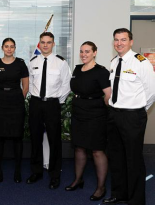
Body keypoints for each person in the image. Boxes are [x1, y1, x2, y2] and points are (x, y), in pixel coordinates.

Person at [102, 28, 155, 205]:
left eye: (123, 40)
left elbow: (151, 92)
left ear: (131, 42)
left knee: (134, 159)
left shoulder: (141, 62)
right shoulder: (114, 62)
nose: (119, 43)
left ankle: (136, 200)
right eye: (116, 40)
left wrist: (138, 110)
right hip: (114, 115)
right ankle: (119, 193)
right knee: (116, 157)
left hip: (133, 117)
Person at [65, 41, 111, 201]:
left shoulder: (101, 72)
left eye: (87, 51)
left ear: (94, 53)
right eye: (81, 51)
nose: (84, 54)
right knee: (79, 148)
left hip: (96, 114)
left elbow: (108, 95)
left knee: (97, 151)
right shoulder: (78, 69)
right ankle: (78, 180)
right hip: (78, 112)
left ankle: (101, 187)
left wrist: (104, 112)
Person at [26, 32, 71, 189]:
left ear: (53, 44)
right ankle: (36, 172)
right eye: (43, 42)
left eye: (48, 42)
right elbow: (30, 83)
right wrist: (35, 96)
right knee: (35, 139)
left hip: (52, 104)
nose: (45, 45)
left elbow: (66, 84)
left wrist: (58, 101)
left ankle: (54, 174)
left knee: (54, 141)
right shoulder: (32, 62)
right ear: (39, 44)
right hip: (36, 103)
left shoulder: (61, 63)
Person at [0, 38, 29, 183]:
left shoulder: (20, 63)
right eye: (7, 46)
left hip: (16, 101)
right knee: (0, 137)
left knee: (17, 137)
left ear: (15, 48)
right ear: (2, 48)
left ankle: (17, 171)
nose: (9, 49)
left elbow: (25, 84)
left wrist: (20, 98)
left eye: (12, 46)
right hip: (1, 101)